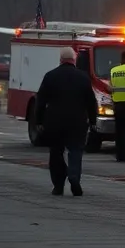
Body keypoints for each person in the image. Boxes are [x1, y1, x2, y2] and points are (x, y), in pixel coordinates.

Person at [34, 47, 98, 196]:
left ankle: (58, 185)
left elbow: (41, 101)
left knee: (56, 152)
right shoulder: (83, 77)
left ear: (61, 60)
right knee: (76, 151)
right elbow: (91, 101)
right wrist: (93, 120)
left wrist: (39, 120)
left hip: (55, 122)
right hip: (77, 122)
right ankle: (74, 176)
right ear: (74, 60)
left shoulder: (50, 76)